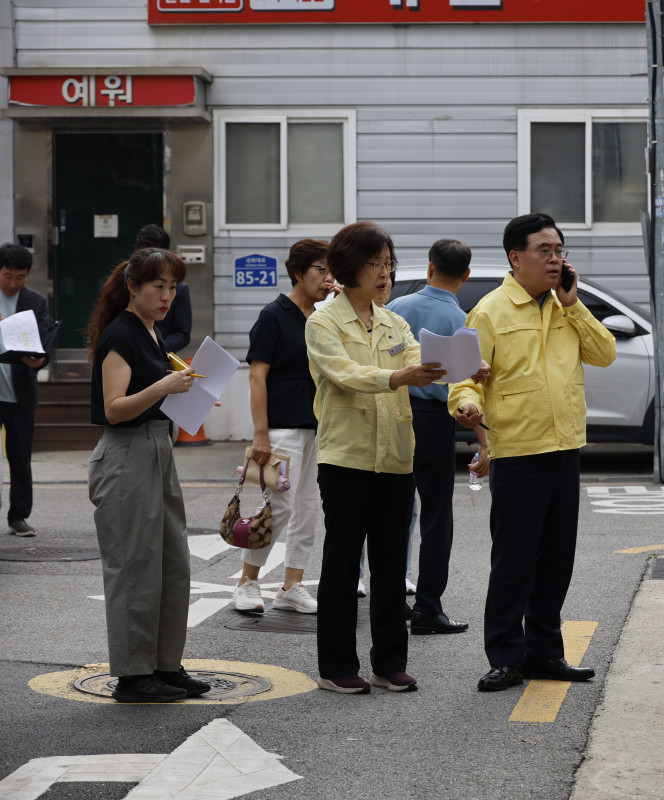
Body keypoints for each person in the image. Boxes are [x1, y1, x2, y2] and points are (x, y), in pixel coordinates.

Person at [449, 213, 616, 692]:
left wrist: (574, 305)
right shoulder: (489, 312)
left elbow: (605, 354)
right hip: (519, 452)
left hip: (565, 447)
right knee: (515, 561)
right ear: (515, 257)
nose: (555, 258)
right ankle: (505, 657)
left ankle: (545, 654)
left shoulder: (566, 306)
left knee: (557, 561)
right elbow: (464, 378)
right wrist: (465, 405)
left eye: (559, 250)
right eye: (545, 250)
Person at [305, 221, 449, 694]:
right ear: (350, 267)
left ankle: (389, 662)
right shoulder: (323, 322)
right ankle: (335, 666)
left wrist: (462, 366)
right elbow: (344, 373)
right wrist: (398, 377)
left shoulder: (394, 322)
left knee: (390, 566)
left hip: (395, 457)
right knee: (343, 565)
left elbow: (419, 358)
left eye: (389, 264)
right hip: (345, 457)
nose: (385, 274)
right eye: (374, 264)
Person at [85, 247, 210, 703]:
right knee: (135, 567)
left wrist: (188, 392)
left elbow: (153, 396)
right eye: (158, 286)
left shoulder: (152, 332)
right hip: (126, 454)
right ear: (132, 287)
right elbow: (115, 409)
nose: (167, 296)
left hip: (157, 447)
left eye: (173, 287)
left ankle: (164, 665)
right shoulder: (121, 334)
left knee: (172, 565)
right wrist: (164, 386)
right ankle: (133, 675)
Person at [386, 239, 488, 635]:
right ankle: (428, 607)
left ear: (430, 267)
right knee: (436, 515)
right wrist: (483, 441)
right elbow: (467, 388)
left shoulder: (397, 308)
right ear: (466, 275)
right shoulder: (464, 322)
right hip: (434, 421)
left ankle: (389, 602)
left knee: (393, 512)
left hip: (395, 413)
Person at [231, 239, 334, 615]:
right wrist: (260, 433)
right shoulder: (273, 315)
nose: (328, 278)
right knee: (278, 508)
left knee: (307, 508)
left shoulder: (322, 318)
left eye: (331, 271)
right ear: (298, 273)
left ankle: (292, 585)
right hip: (281, 429)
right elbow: (257, 377)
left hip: (316, 427)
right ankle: (246, 581)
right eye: (320, 269)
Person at [0, 242, 51, 537]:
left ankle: (18, 516)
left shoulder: (36, 301)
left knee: (20, 457)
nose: (13, 283)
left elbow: (44, 343)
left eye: (20, 277)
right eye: (7, 276)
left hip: (20, 393)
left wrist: (40, 360)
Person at [134, 225, 192, 353]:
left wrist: (156, 347)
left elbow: (182, 334)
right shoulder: (125, 282)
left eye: (171, 287)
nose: (165, 297)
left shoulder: (180, 290)